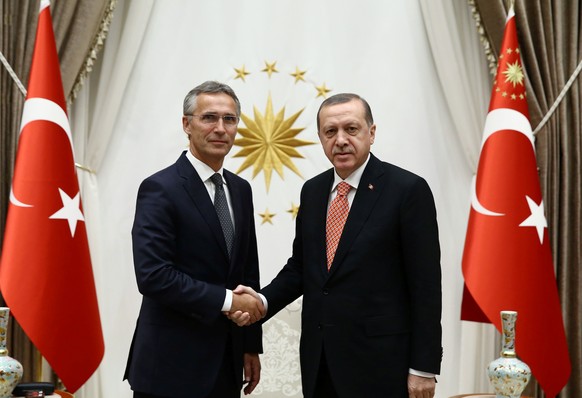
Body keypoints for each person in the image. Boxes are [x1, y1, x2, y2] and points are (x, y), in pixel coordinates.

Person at [230, 93, 442, 398]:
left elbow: (426, 288)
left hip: (383, 366)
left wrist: (423, 369)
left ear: (372, 132)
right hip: (321, 363)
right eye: (330, 132)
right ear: (320, 138)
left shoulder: (407, 190)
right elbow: (302, 268)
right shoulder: (313, 191)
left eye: (351, 129)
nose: (340, 140)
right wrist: (261, 302)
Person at [124, 81, 266, 398]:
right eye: (209, 118)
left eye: (229, 119)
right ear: (187, 124)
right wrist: (229, 301)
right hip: (170, 368)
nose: (220, 128)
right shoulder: (160, 188)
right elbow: (153, 276)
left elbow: (247, 273)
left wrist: (250, 344)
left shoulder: (241, 190)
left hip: (227, 366)